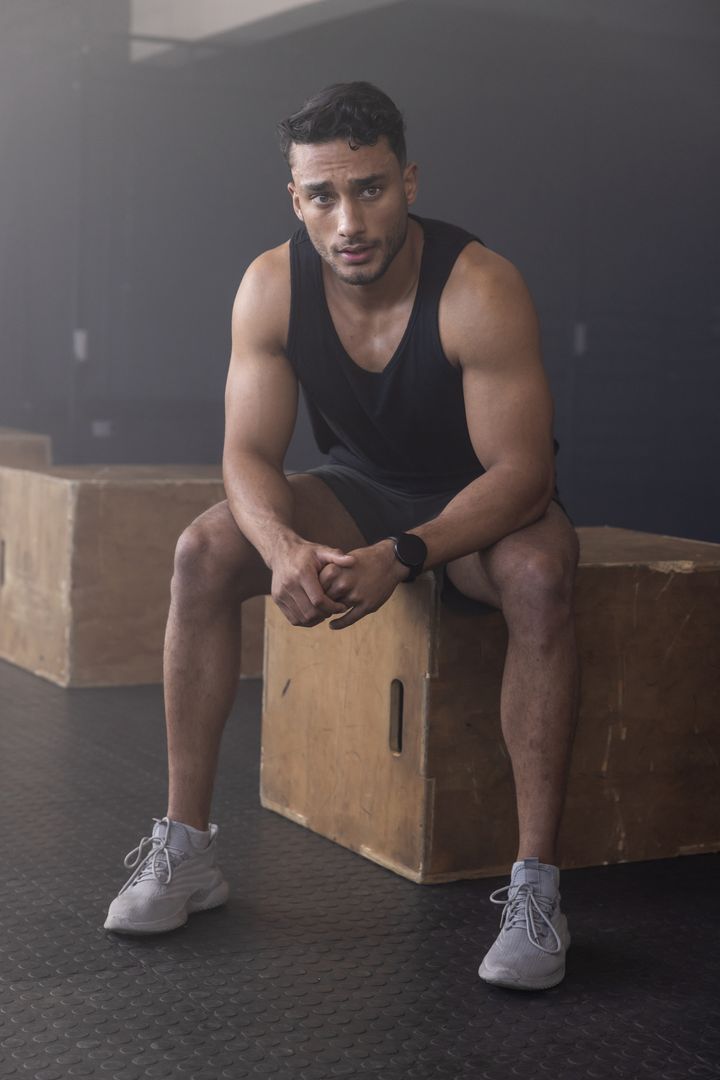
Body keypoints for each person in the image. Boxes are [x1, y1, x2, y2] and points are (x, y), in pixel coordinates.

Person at [105, 82, 580, 992]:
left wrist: (404, 556)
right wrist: (284, 548)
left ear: (407, 181)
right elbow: (246, 453)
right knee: (203, 550)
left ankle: (536, 889)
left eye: (368, 188)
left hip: (477, 502)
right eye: (323, 195)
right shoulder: (271, 286)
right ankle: (187, 847)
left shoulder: (480, 286)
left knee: (543, 578)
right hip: (360, 491)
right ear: (296, 199)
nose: (348, 218)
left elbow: (524, 475)